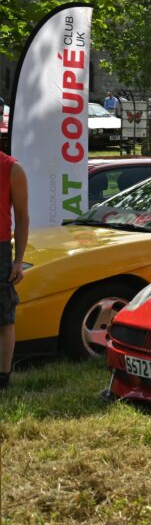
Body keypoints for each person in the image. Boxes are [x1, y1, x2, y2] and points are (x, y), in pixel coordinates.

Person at [0, 150, 28, 389]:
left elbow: (21, 217)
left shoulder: (12, 169)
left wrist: (18, 261)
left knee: (4, 317)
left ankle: (3, 377)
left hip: (0, 250)